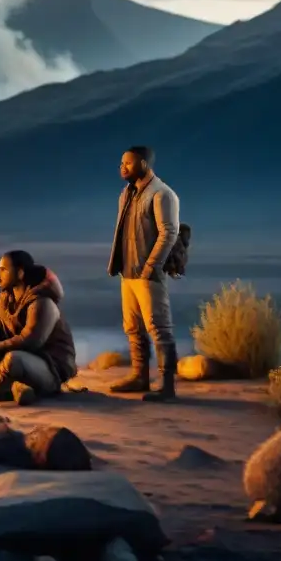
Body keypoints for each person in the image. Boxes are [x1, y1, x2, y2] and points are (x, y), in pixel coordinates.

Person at [0, 251, 78, 406]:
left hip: (49, 370)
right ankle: (7, 387)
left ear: (20, 273)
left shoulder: (42, 302)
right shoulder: (5, 299)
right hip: (15, 360)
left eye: (3, 269)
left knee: (13, 359)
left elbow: (31, 341)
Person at [107, 146, 181, 401]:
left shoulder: (162, 194)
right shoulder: (126, 194)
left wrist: (151, 266)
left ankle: (167, 385)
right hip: (128, 272)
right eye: (121, 163)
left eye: (128, 163)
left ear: (144, 164)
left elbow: (169, 232)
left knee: (159, 327)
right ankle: (140, 377)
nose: (122, 167)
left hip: (148, 274)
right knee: (133, 327)